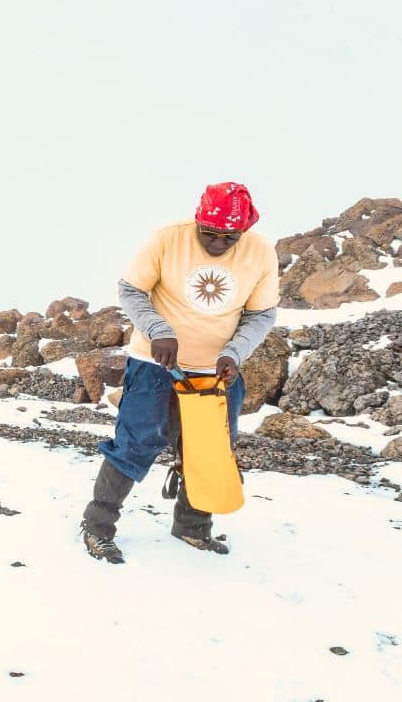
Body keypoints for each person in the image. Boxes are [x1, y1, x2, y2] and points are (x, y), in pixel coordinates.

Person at [81, 182, 279, 563]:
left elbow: (261, 314)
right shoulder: (167, 239)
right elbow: (131, 290)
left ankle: (192, 527)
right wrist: (159, 331)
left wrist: (235, 353)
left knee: (209, 447)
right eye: (209, 234)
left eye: (229, 237)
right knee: (136, 441)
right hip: (155, 363)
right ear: (198, 219)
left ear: (244, 230)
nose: (218, 244)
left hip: (217, 370)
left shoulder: (261, 252)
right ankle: (97, 525)